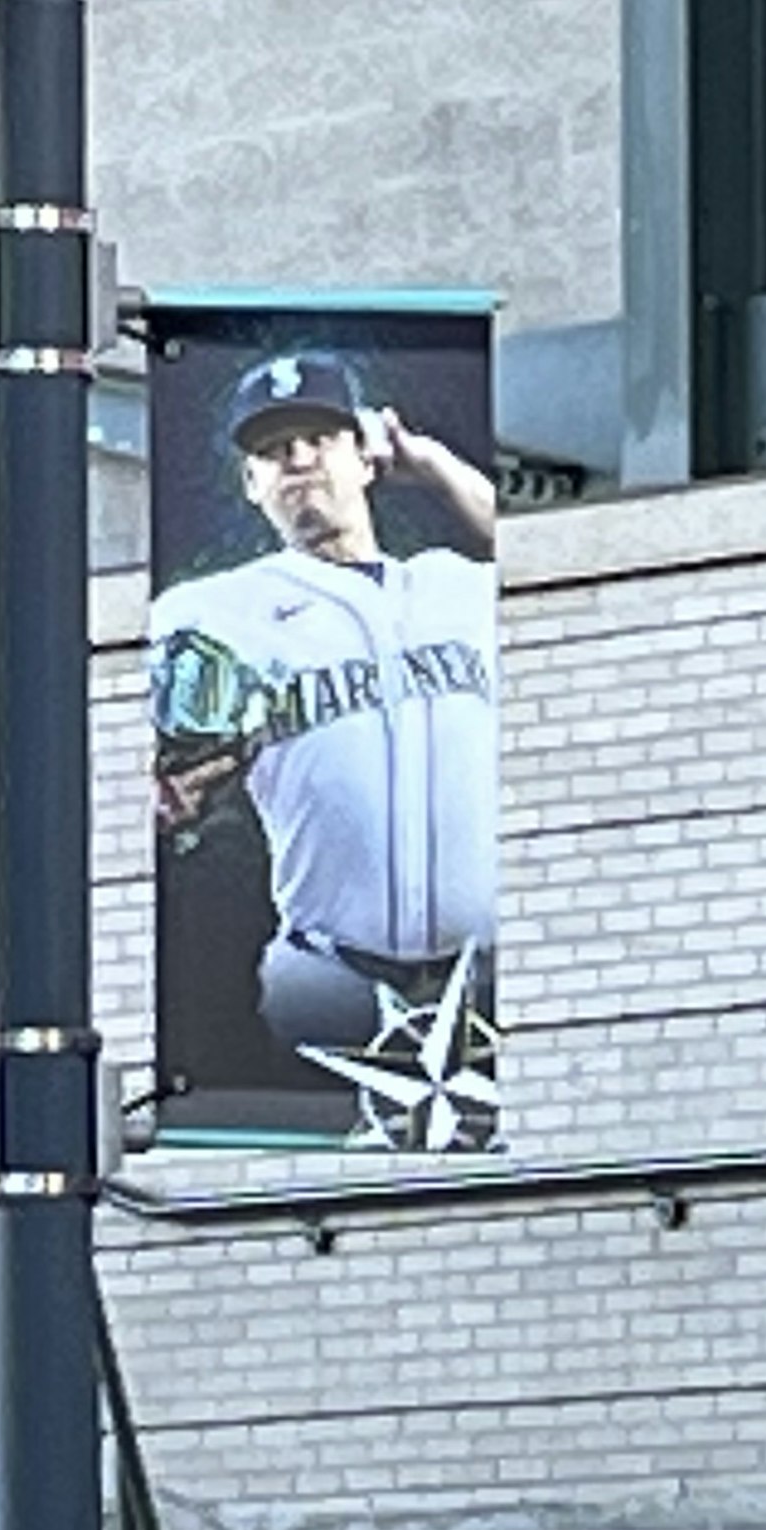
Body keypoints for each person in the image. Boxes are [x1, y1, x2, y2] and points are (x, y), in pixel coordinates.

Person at [145, 350, 500, 1052]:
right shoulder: (210, 610)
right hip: (327, 983)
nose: (299, 459)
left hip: (495, 979)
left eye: (320, 439)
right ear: (252, 484)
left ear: (366, 458)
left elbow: (571, 558)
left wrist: (432, 466)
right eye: (274, 451)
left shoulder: (456, 586)